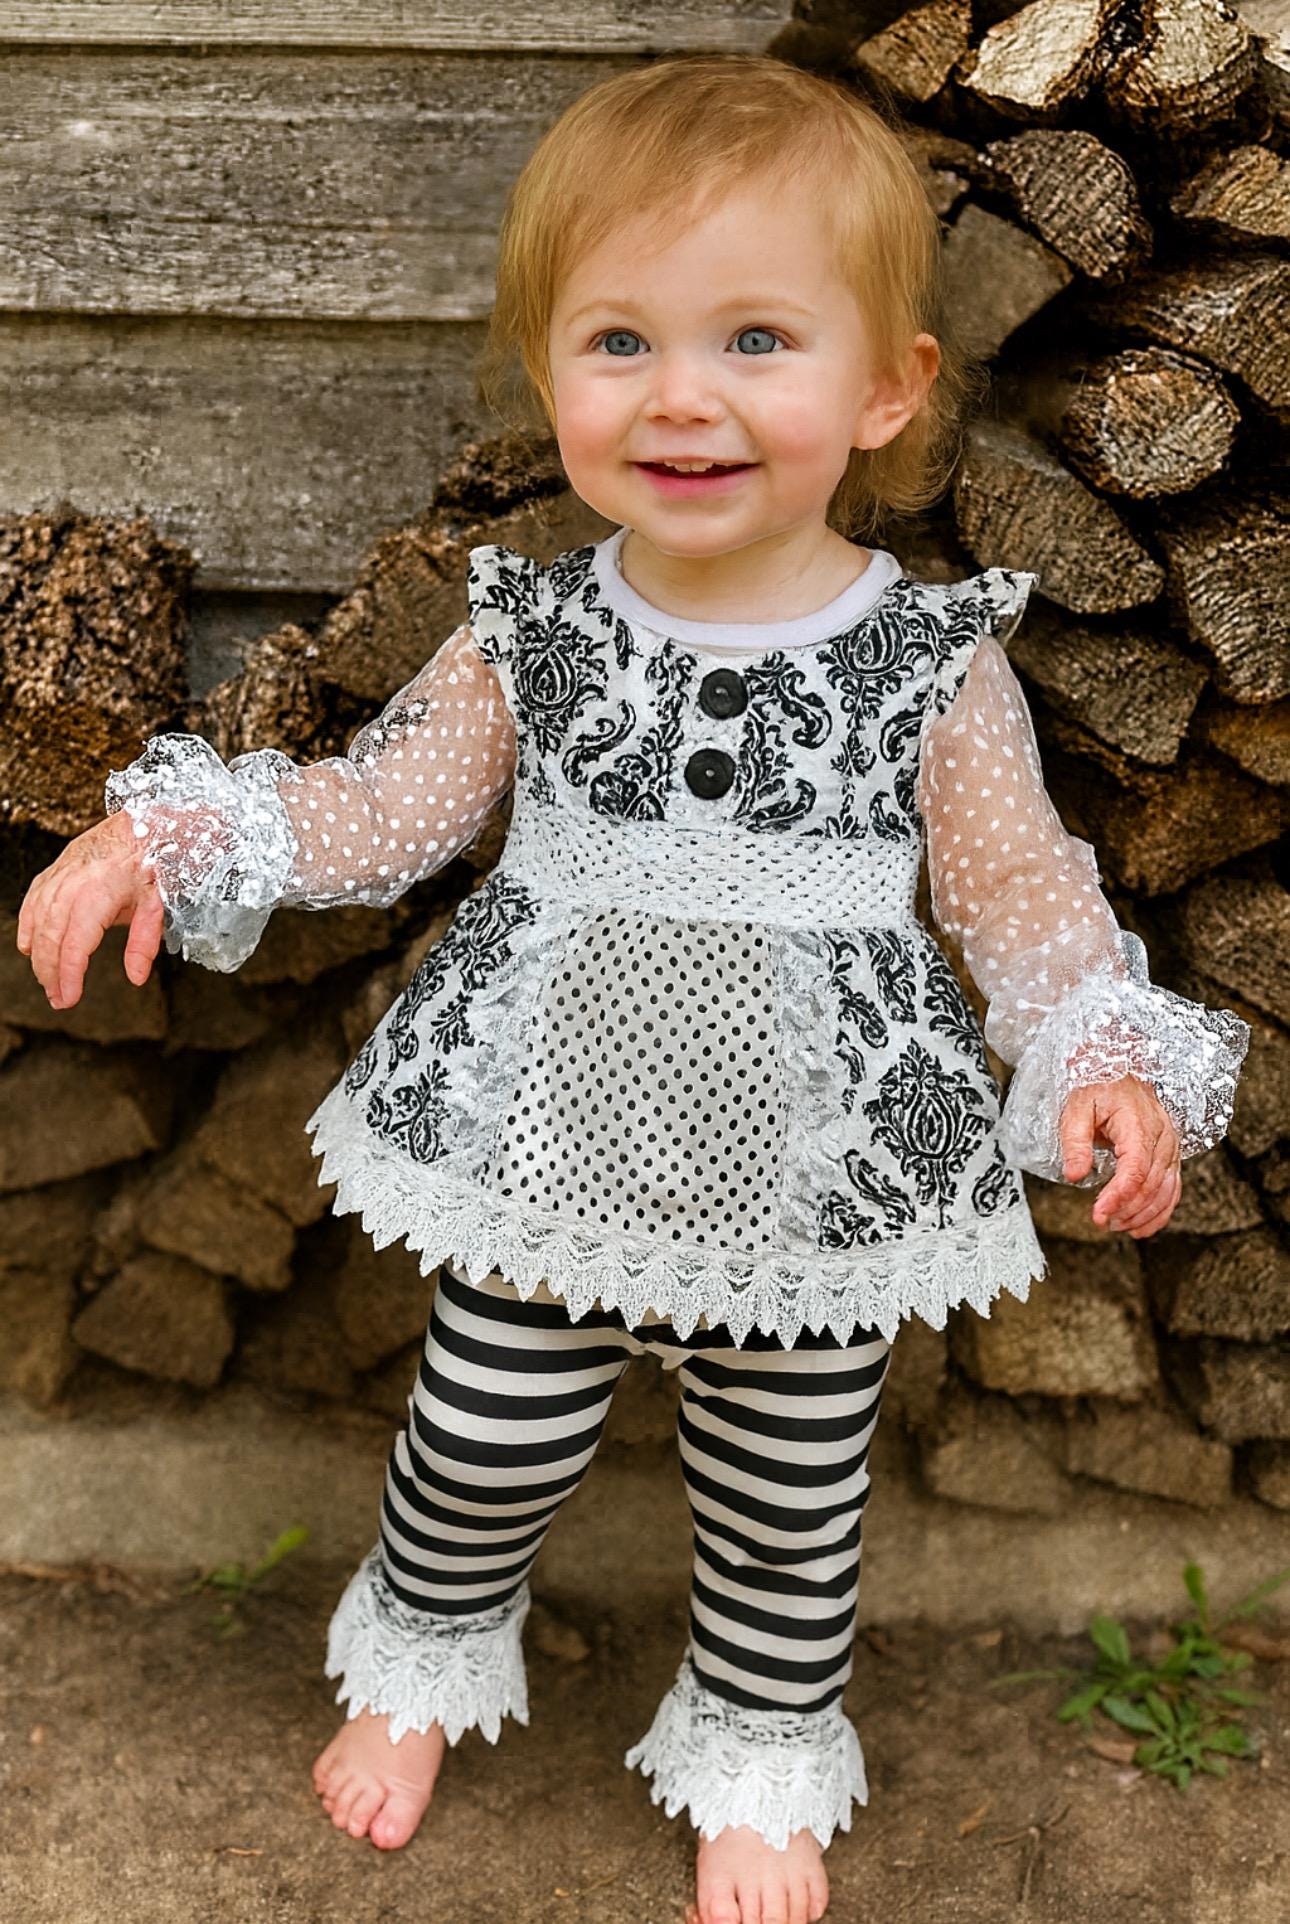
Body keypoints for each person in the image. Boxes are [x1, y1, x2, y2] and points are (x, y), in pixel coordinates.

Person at [15, 53, 1249, 1924]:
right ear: (549, 376)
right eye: (617, 343)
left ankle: (759, 1754)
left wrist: (1096, 1052)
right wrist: (175, 841)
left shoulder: (926, 661)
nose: (682, 397)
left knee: (787, 1501)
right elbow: (376, 807)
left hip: (816, 1173)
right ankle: (423, 1656)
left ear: (887, 387)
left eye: (758, 340)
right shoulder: (540, 628)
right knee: (479, 1440)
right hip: (549, 1135)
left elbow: (1017, 895)